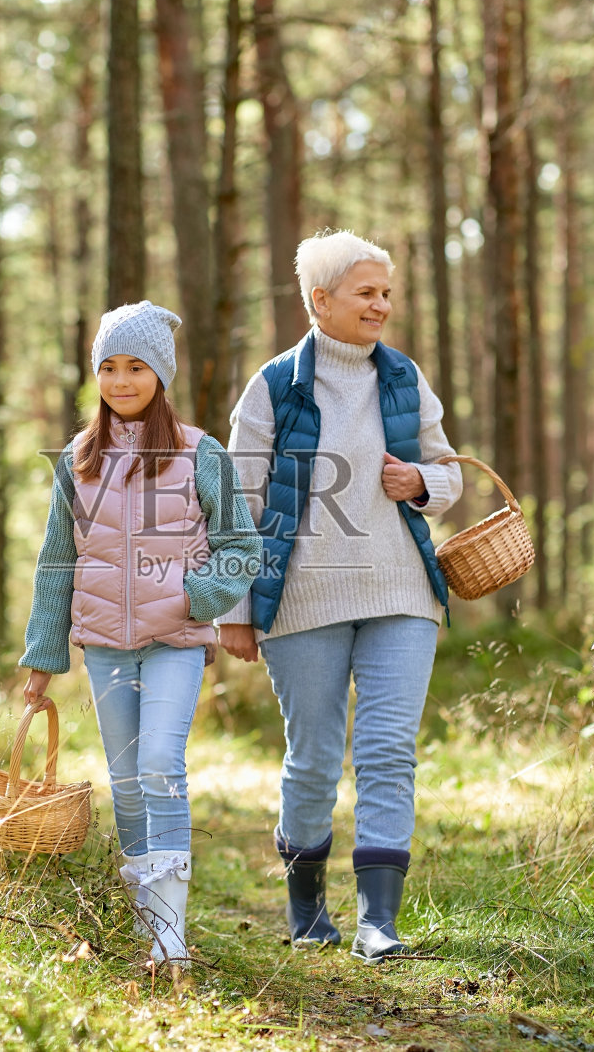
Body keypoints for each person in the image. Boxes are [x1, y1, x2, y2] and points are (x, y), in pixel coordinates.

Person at [217, 231, 463, 962]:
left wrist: (421, 483)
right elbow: (239, 501)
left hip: (402, 592)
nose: (382, 305)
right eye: (367, 293)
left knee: (388, 750)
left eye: (387, 292)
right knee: (316, 756)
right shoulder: (272, 387)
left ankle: (377, 922)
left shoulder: (403, 378)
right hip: (301, 599)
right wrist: (234, 610)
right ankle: (307, 911)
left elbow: (448, 469)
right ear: (319, 300)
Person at [19, 301, 261, 973]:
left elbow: (242, 545)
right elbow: (55, 561)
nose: (121, 380)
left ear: (160, 372)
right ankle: (150, 926)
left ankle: (172, 936)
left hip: (176, 640)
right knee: (126, 782)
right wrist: (44, 654)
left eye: (135, 366)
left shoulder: (197, 451)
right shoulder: (78, 459)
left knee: (159, 763)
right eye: (109, 366)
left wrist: (195, 596)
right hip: (104, 646)